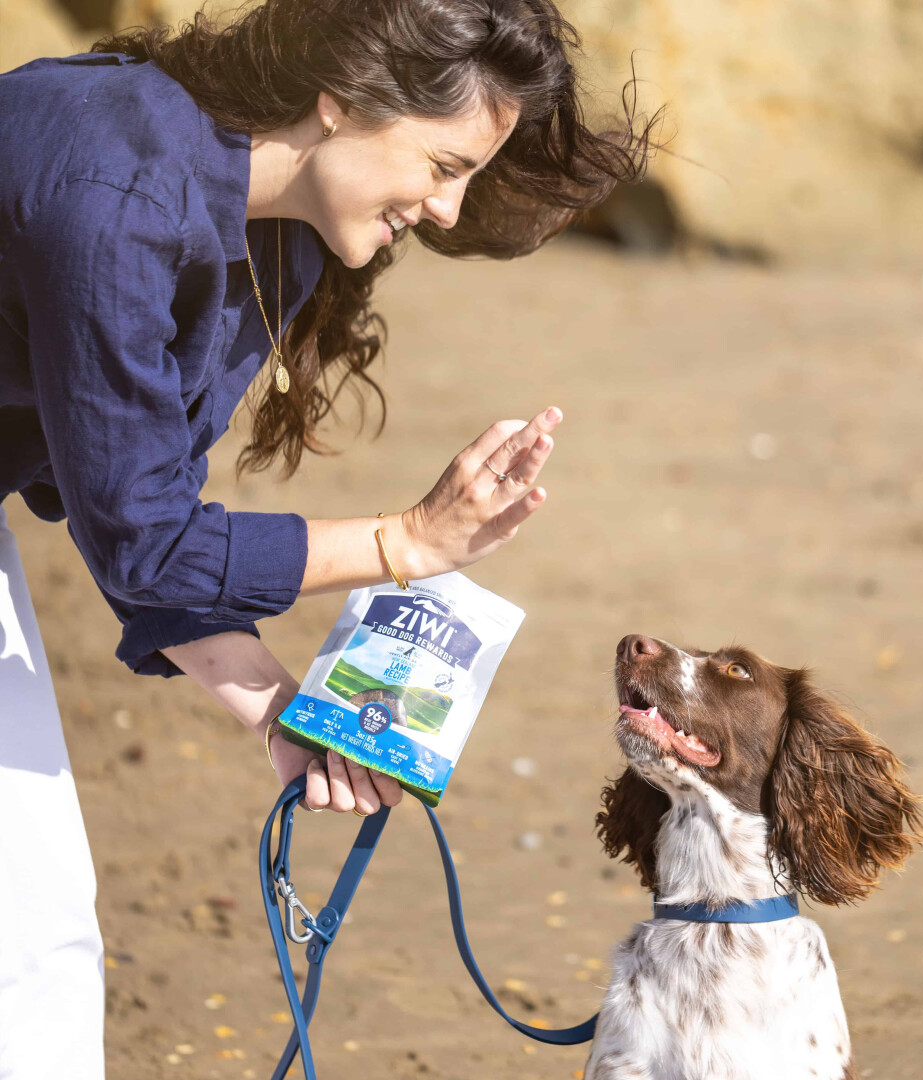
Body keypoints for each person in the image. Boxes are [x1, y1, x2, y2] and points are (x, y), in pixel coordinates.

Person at [0, 0, 658, 1075]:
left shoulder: (276, 240)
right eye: (443, 166)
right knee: (23, 946)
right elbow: (151, 546)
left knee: (34, 941)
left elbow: (135, 506)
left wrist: (280, 713)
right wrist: (407, 543)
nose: (448, 211)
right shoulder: (115, 192)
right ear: (343, 97)